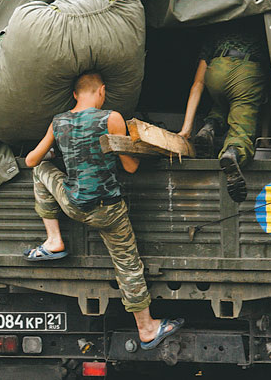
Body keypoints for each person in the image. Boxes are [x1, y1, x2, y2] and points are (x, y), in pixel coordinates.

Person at [24, 72, 183, 350]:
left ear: (75, 94)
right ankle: (147, 329)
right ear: (102, 92)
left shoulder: (58, 121)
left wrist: (56, 152)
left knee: (40, 170)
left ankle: (54, 240)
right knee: (128, 266)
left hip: (73, 204)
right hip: (108, 210)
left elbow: (31, 160)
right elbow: (130, 167)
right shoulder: (111, 118)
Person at [178, 21, 269, 203]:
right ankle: (233, 152)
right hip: (247, 71)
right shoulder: (262, 27)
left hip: (216, 72)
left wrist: (186, 128)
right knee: (241, 118)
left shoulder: (216, 29)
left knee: (223, 102)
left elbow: (198, 84)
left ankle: (210, 126)